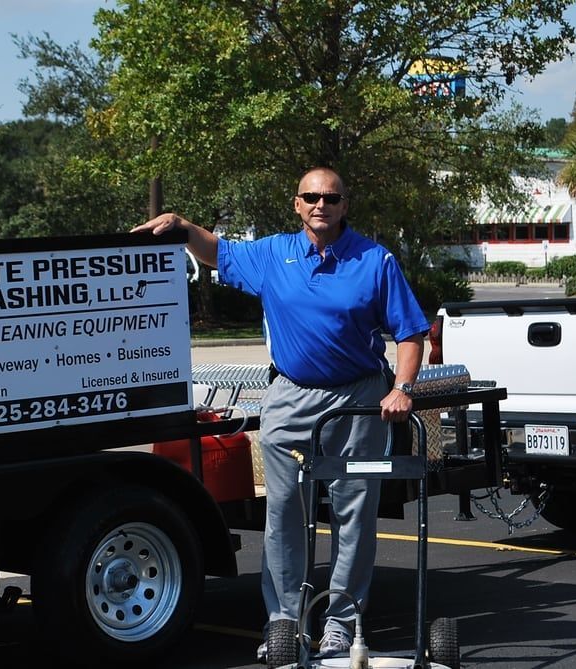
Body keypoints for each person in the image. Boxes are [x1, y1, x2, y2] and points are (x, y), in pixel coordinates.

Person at [132, 167, 429, 659]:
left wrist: (401, 388)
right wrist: (181, 226)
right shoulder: (272, 253)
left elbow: (410, 333)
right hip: (290, 398)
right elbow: (217, 251)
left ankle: (341, 623)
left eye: (330, 198)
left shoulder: (375, 260)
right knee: (285, 511)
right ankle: (285, 620)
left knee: (354, 514)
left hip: (357, 400)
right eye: (311, 197)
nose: (321, 205)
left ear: (344, 205)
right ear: (297, 204)